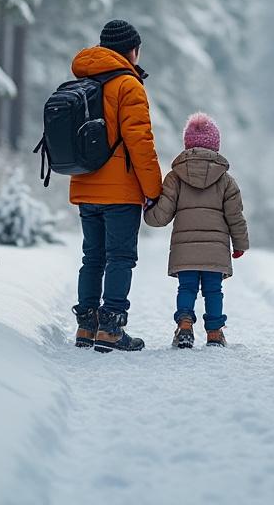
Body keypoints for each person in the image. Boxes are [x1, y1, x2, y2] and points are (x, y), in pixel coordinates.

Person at [69, 20, 163, 353]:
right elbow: (140, 142)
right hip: (120, 191)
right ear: (131, 50)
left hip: (85, 183)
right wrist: (154, 188)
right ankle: (111, 328)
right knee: (120, 258)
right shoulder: (128, 85)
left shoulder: (83, 80)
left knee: (92, 257)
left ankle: (86, 326)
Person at [143, 112, 249, 348]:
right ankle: (214, 333)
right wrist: (240, 244)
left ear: (187, 144)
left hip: (185, 251)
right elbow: (235, 216)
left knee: (187, 287)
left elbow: (161, 217)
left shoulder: (175, 177)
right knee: (214, 291)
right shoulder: (226, 180)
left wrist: (148, 210)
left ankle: (184, 326)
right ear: (216, 145)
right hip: (215, 250)